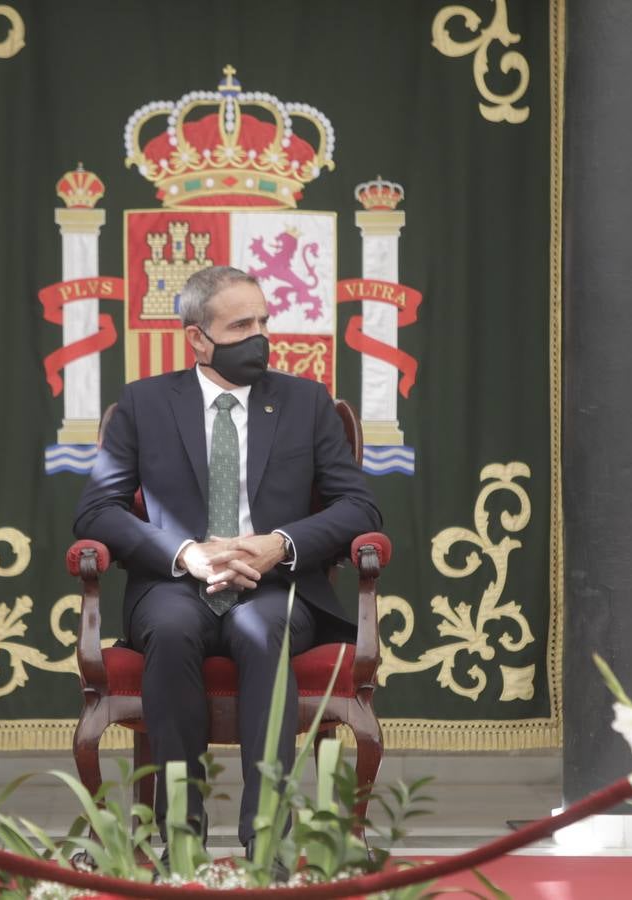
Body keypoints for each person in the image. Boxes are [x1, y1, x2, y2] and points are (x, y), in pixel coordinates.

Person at [73, 265, 382, 863]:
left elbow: (359, 506)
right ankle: (180, 841)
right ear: (197, 337)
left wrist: (279, 544)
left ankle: (266, 840)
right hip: (173, 584)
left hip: (275, 583)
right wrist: (185, 553)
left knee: (261, 629)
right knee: (172, 628)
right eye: (241, 325)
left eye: (264, 321)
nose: (259, 336)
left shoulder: (305, 401)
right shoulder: (144, 403)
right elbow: (96, 512)